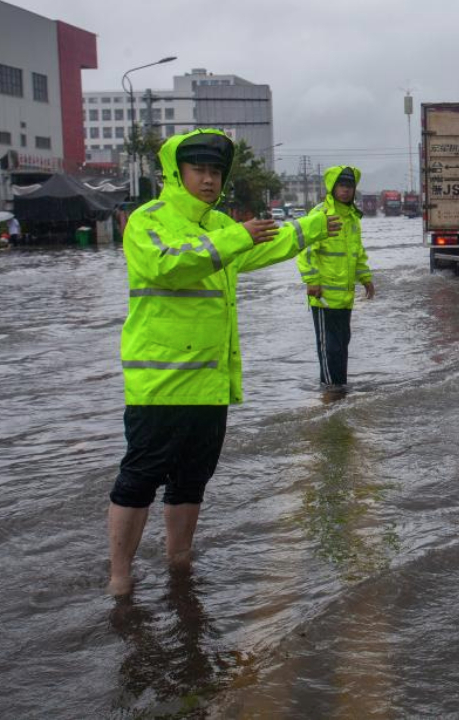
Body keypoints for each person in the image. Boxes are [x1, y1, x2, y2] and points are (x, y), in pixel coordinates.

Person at [107, 128, 335, 595]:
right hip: (161, 384)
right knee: (140, 477)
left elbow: (264, 245)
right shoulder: (149, 219)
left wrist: (314, 226)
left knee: (192, 480)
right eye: (199, 170)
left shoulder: (217, 227)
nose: (209, 180)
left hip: (209, 382)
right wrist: (235, 237)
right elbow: (168, 265)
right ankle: (119, 575)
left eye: (215, 171)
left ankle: (179, 560)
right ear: (177, 172)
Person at [296, 166, 375, 395]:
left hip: (345, 297)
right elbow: (306, 251)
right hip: (323, 297)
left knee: (341, 346)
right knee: (328, 348)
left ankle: (341, 388)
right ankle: (330, 392)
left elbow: (357, 253)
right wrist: (312, 281)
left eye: (349, 186)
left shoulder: (352, 219)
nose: (345, 190)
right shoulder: (320, 215)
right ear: (332, 187)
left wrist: (366, 278)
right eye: (341, 186)